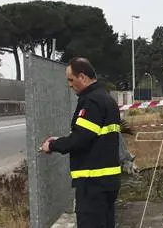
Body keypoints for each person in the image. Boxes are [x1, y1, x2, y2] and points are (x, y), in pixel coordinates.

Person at [41, 57, 122, 228]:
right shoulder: (106, 98)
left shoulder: (92, 101)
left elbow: (81, 139)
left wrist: (52, 145)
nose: (70, 85)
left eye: (71, 80)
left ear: (83, 77)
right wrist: (63, 140)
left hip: (93, 182)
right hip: (107, 180)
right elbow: (92, 134)